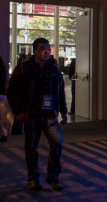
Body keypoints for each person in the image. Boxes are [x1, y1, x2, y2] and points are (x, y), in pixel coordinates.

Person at [7, 38, 68, 191]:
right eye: (43, 48)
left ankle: (53, 176)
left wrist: (64, 111)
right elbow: (11, 90)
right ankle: (33, 178)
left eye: (48, 48)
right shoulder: (23, 68)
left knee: (57, 143)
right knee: (31, 147)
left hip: (50, 114)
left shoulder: (54, 68)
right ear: (34, 51)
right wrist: (18, 111)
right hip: (31, 115)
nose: (47, 51)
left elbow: (60, 91)